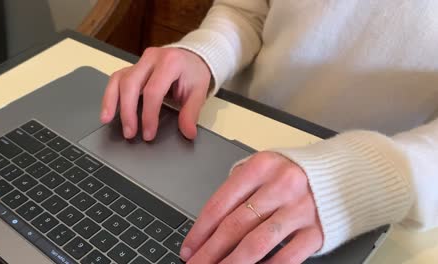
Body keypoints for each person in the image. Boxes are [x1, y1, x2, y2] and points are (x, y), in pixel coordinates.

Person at [100, 1, 438, 263]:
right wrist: (203, 54)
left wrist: (370, 177)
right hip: (237, 140)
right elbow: (246, 11)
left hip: (378, 201)